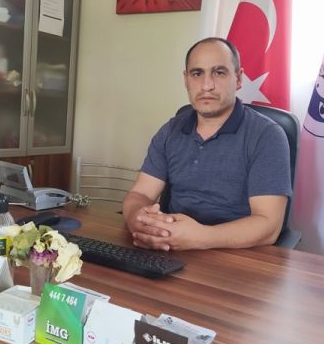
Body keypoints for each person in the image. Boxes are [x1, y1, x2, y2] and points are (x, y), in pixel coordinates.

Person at [122, 37, 292, 251]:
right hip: (170, 247)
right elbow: (140, 195)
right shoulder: (171, 130)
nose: (206, 85)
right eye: (197, 73)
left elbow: (268, 225)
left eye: (219, 72)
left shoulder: (267, 135)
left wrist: (201, 237)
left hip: (236, 256)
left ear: (238, 79)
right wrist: (138, 220)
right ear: (186, 80)